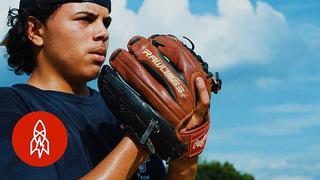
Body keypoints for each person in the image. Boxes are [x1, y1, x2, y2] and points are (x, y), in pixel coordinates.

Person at [0, 0, 210, 179]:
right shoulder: (13, 107)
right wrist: (143, 134)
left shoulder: (123, 107)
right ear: (35, 30)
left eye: (105, 22)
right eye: (85, 19)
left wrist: (187, 151)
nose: (103, 33)